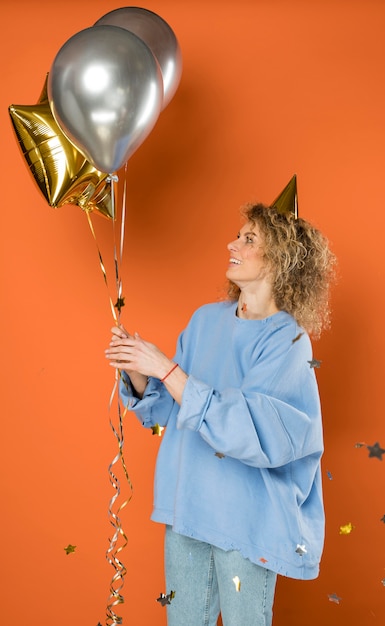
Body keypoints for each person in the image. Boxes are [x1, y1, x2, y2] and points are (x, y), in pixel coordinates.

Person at [105, 198, 336, 626]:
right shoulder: (204, 321)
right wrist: (139, 372)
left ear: (280, 258)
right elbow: (171, 414)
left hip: (246, 520)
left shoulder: (289, 342)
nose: (232, 244)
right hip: (187, 507)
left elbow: (250, 431)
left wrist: (166, 368)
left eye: (249, 239)